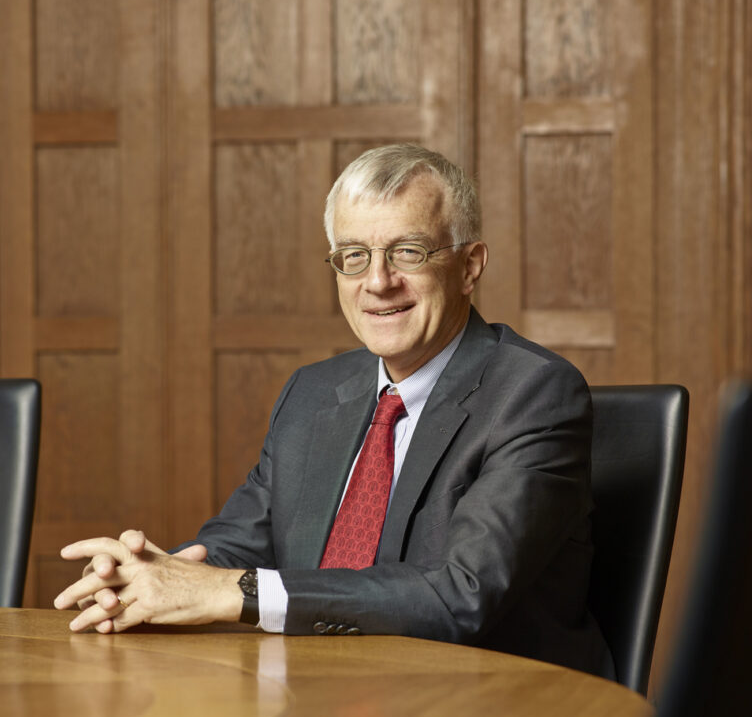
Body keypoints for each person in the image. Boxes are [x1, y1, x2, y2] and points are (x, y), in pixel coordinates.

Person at [54, 142, 611, 682]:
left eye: (408, 252)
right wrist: (145, 578)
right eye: (354, 256)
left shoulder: (533, 393)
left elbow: (461, 594)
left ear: (470, 266)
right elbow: (238, 544)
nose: (377, 281)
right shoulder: (315, 392)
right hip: (320, 702)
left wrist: (233, 592)